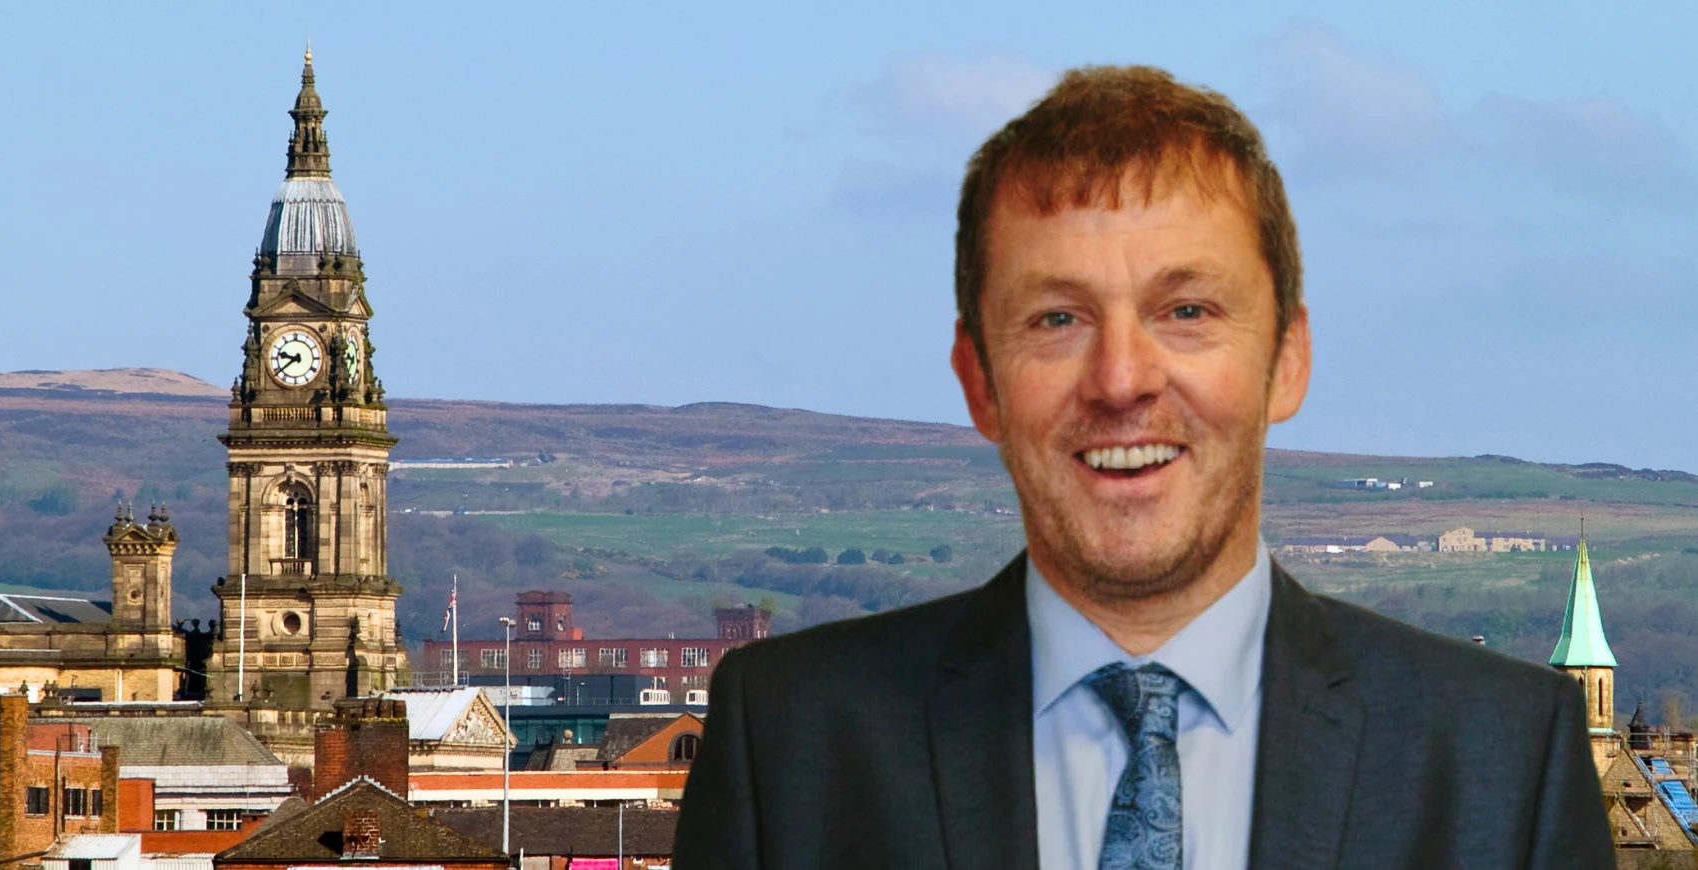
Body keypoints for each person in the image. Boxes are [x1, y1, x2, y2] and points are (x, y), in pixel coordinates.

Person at [673, 65, 1611, 869]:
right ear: (980, 381)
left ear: (1287, 357)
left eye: (1188, 311)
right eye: (1057, 319)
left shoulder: (1504, 755)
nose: (1122, 380)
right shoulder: (790, 741)